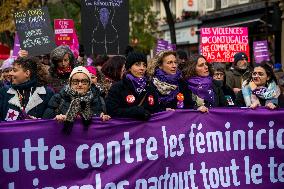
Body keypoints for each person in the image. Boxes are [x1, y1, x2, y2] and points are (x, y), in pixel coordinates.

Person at [43, 66, 110, 134]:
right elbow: (44, 125)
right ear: (70, 83)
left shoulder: (97, 100)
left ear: (89, 84)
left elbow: (102, 127)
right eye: (75, 81)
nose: (80, 85)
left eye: (84, 81)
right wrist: (55, 119)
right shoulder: (58, 98)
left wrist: (103, 118)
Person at [106, 52, 160, 120]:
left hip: (147, 129)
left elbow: (157, 110)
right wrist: (135, 111)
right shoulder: (117, 87)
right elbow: (111, 111)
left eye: (144, 65)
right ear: (129, 68)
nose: (142, 68)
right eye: (137, 64)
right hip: (126, 129)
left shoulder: (150, 86)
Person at [0, 57, 54, 121]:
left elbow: (49, 122)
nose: (10, 73)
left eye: (14, 70)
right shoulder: (5, 91)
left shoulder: (47, 93)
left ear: (27, 73)